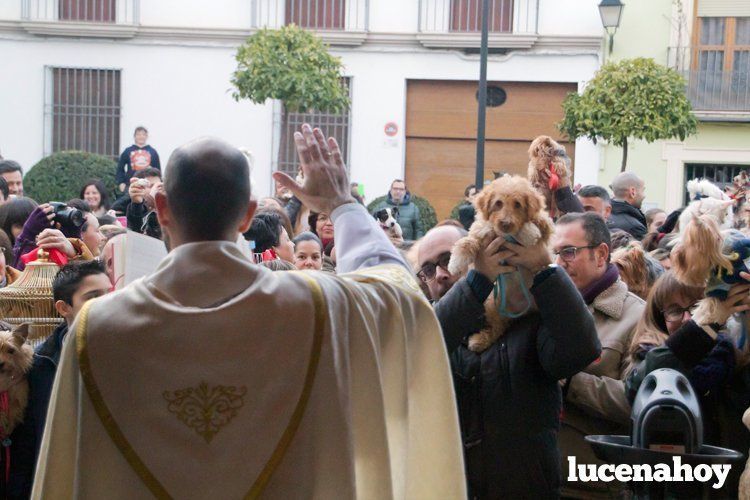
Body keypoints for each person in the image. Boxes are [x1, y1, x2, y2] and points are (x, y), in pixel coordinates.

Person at [33, 126, 466, 499]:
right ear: (248, 215)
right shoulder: (317, 304)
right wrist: (341, 202)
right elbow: (401, 295)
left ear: (161, 208)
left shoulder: (97, 327)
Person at [418, 222, 601, 497]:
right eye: (429, 270)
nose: (441, 275)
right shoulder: (424, 331)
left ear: (479, 254)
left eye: (448, 259)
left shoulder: (525, 315)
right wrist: (475, 283)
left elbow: (581, 349)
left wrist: (544, 271)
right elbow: (424, 351)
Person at [552, 212, 646, 498]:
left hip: (595, 484)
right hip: (539, 477)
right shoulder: (544, 309)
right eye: (554, 253)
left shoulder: (638, 316)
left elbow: (638, 403)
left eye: (568, 252)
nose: (558, 263)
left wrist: (570, 383)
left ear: (601, 254)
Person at [10, 260, 111, 498]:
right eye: (93, 296)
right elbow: (27, 444)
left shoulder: (128, 355)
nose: (107, 303)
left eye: (110, 294)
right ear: (64, 308)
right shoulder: (40, 364)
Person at [116, 126, 161, 193]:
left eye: (143, 134)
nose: (141, 136)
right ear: (134, 136)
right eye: (138, 134)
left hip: (148, 186)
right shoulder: (128, 151)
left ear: (147, 136)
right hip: (130, 185)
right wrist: (121, 183)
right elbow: (120, 168)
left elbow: (157, 170)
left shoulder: (153, 152)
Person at [608, 172, 647, 239]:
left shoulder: (602, 217)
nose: (644, 196)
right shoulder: (635, 227)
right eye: (643, 190)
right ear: (632, 192)